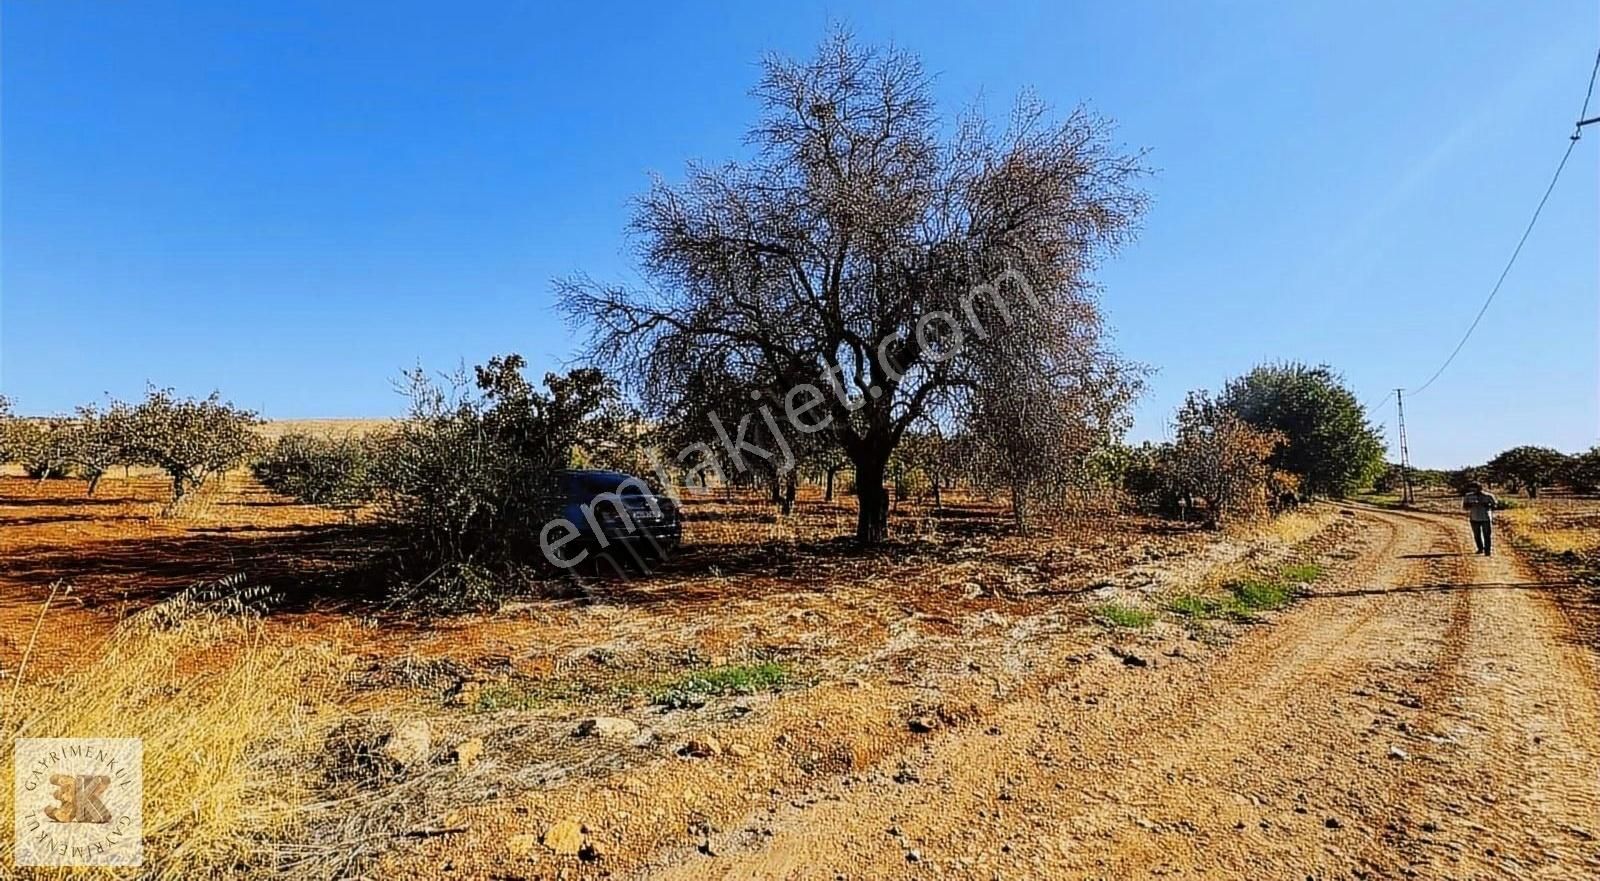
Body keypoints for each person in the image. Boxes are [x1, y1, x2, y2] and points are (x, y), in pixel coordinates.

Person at [1462, 482, 1498, 556]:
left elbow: (1495, 506)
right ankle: (1480, 548)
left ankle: (1487, 550)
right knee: (1477, 535)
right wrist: (1470, 505)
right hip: (1474, 518)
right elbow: (1465, 507)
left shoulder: (1488, 496)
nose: (1473, 490)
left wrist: (1488, 505)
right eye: (1472, 488)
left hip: (1486, 517)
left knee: (1487, 535)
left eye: (1475, 488)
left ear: (1480, 488)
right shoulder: (1468, 496)